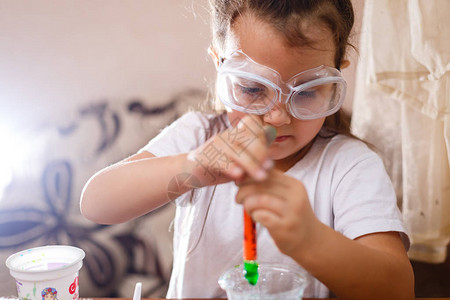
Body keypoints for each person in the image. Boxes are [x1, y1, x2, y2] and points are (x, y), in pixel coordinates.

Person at [80, 0, 415, 299]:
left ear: (335, 77)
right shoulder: (198, 136)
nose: (278, 116)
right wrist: (194, 168)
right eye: (254, 88)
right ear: (219, 64)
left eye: (307, 92)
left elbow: (397, 290)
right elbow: (97, 203)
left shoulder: (350, 167)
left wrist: (309, 239)